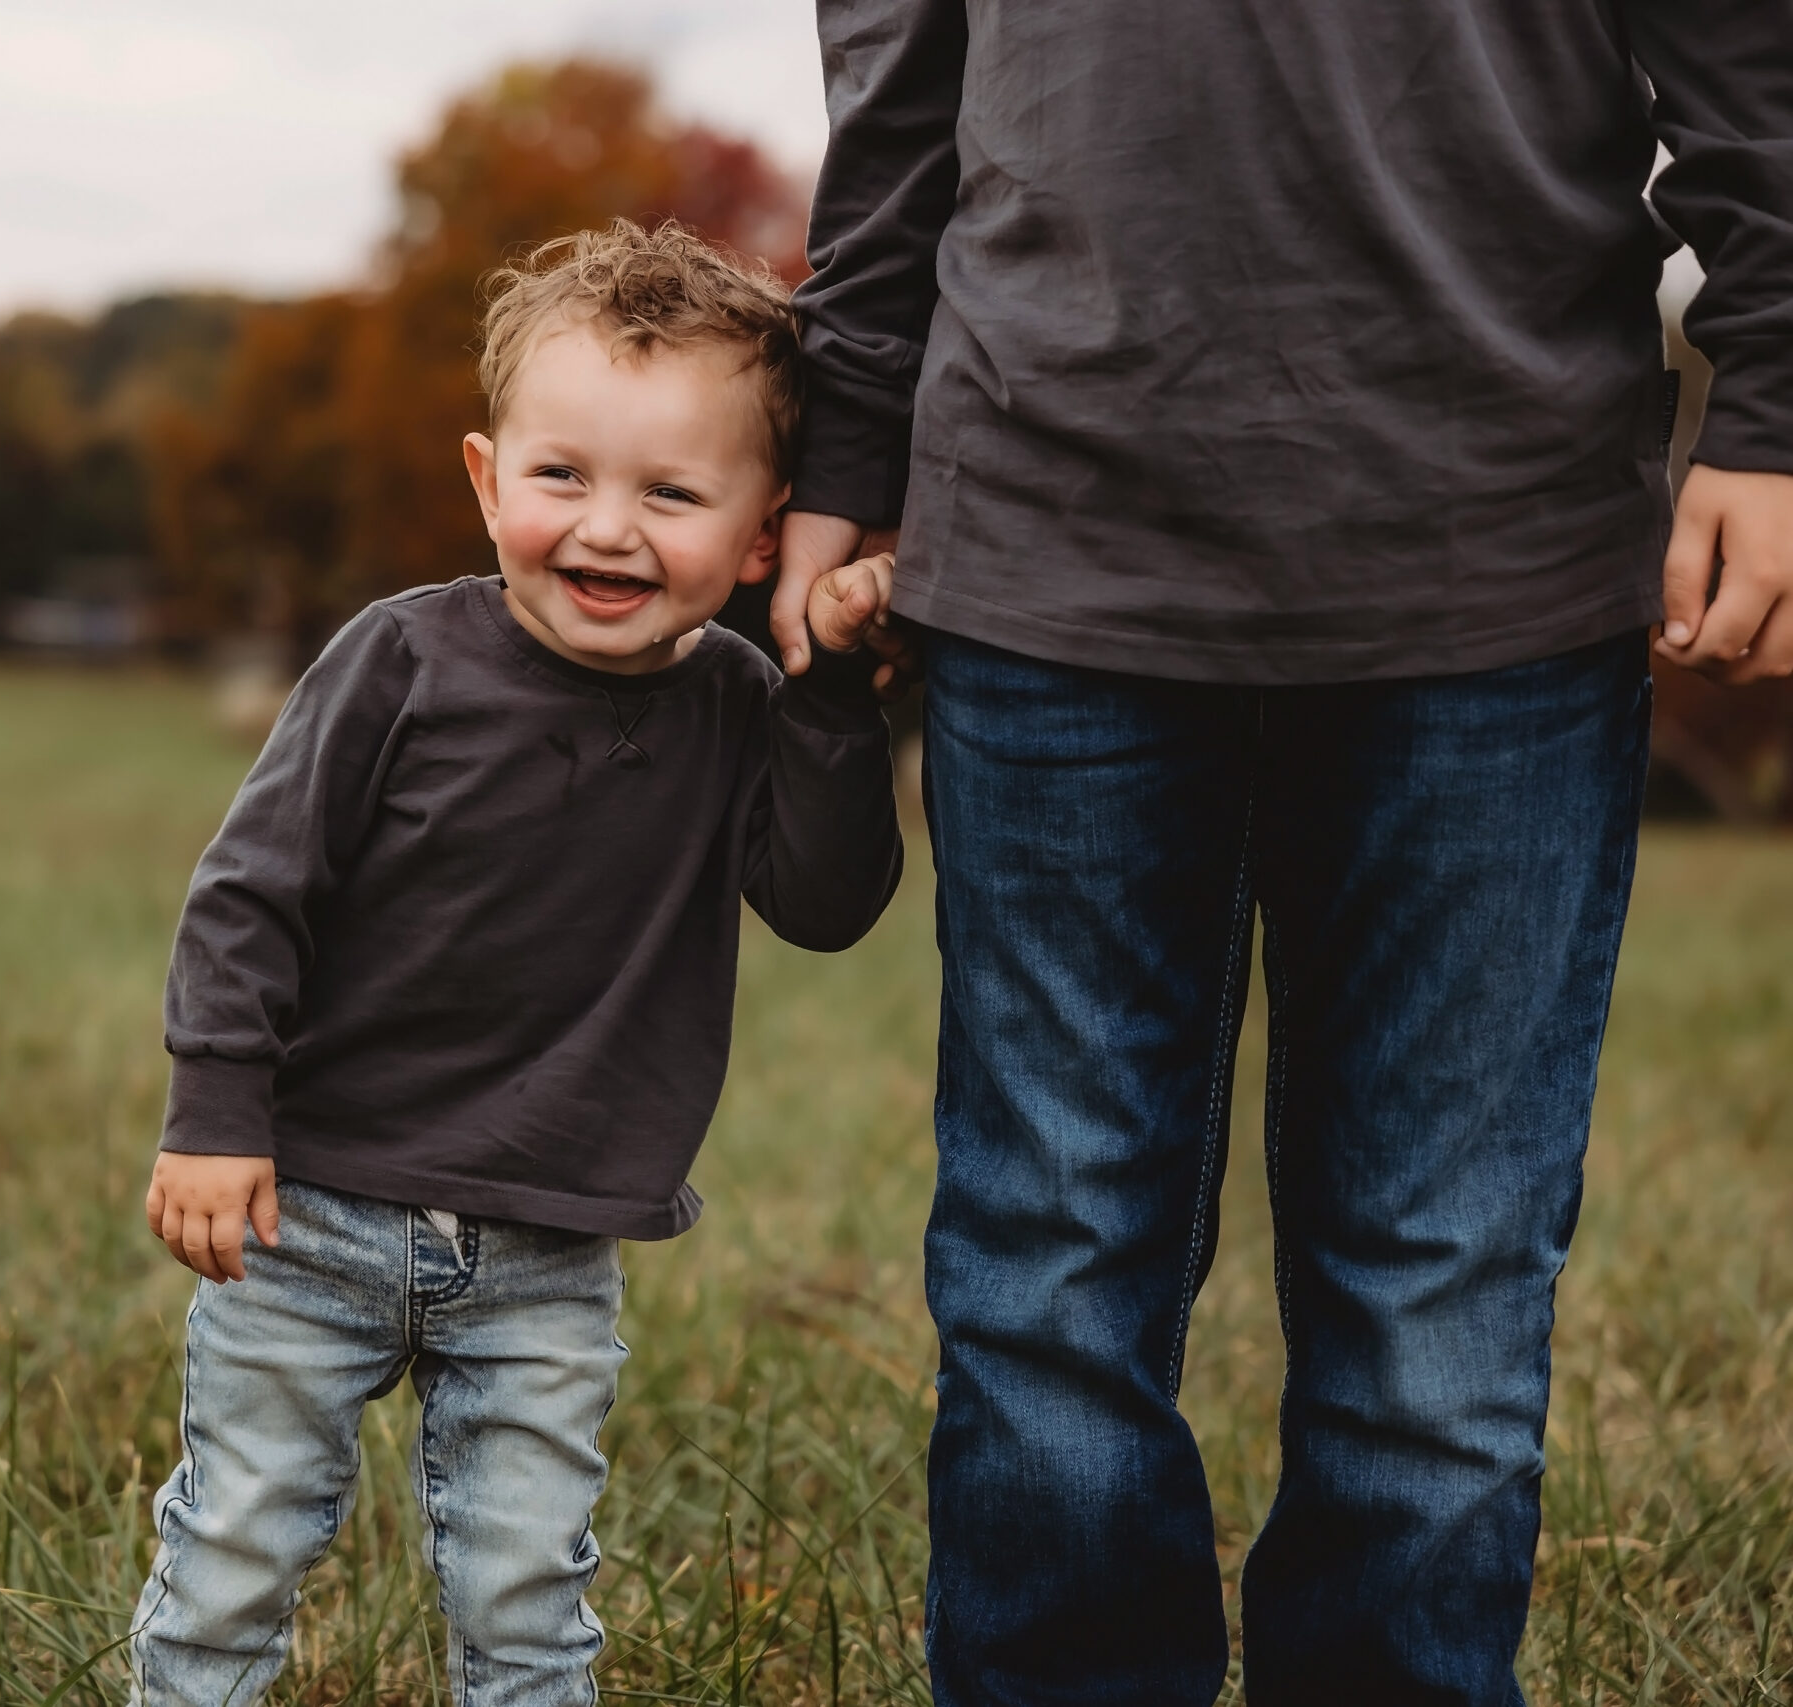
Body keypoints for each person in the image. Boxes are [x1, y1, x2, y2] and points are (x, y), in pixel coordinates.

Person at [770, 0, 1793, 1701]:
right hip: (1049, 527)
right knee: (1047, 1275)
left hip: (1496, 546)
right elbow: (893, 67)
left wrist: (1776, 390)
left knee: (1435, 1310)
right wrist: (854, 428)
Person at [129, 220, 906, 1707]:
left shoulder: (742, 706)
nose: (609, 529)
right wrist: (217, 1109)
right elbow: (252, 891)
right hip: (315, 1212)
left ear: (760, 537)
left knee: (527, 1589)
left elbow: (826, 901)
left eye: (671, 494)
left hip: (550, 1249)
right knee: (234, 1545)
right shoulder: (399, 662)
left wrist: (831, 692)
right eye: (565, 477)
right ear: (490, 483)